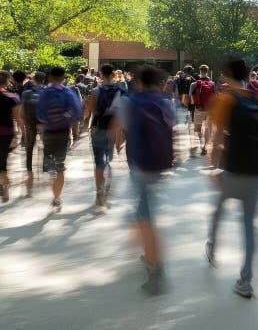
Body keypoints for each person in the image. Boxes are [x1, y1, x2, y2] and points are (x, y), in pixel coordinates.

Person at [206, 59, 258, 299]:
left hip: (233, 170)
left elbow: (218, 138)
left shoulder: (226, 99)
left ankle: (212, 245)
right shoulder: (257, 99)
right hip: (255, 171)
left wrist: (213, 167)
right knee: (249, 227)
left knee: (219, 210)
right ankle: (246, 281)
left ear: (226, 74)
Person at [120, 65, 175, 295]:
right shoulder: (166, 101)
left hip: (141, 165)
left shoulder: (133, 101)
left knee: (146, 217)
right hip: (159, 164)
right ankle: (147, 251)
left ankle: (156, 266)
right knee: (145, 211)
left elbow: (123, 128)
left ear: (140, 81)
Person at [36, 66, 83, 213]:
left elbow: (39, 114)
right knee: (60, 166)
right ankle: (57, 198)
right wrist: (75, 134)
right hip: (63, 133)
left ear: (50, 77)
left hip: (48, 133)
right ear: (64, 78)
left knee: (51, 166)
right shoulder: (68, 92)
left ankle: (53, 186)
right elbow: (77, 114)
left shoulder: (45, 93)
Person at [84, 64, 125, 208]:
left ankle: (99, 189)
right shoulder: (121, 90)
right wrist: (120, 137)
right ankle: (107, 180)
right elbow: (123, 114)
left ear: (101, 74)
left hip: (97, 127)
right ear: (113, 74)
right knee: (108, 159)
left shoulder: (95, 91)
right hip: (113, 130)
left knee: (98, 161)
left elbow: (87, 112)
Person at [21, 71, 46, 197]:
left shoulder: (26, 93)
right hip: (43, 124)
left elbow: (22, 110)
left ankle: (30, 172)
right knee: (45, 148)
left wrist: (24, 125)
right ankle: (44, 170)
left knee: (29, 149)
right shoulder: (46, 92)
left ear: (34, 79)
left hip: (30, 124)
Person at [0, 71, 23, 203]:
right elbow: (18, 118)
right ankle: (5, 186)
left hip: (5, 134)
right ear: (8, 81)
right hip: (6, 134)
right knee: (3, 161)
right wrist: (22, 132)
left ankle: (3, 185)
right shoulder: (12, 98)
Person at [188, 65, 216, 156]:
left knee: (198, 129)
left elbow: (191, 100)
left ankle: (201, 146)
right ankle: (205, 146)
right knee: (208, 128)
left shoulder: (194, 84)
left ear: (200, 71)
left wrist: (192, 107)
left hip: (199, 109)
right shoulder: (213, 84)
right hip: (210, 109)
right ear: (207, 71)